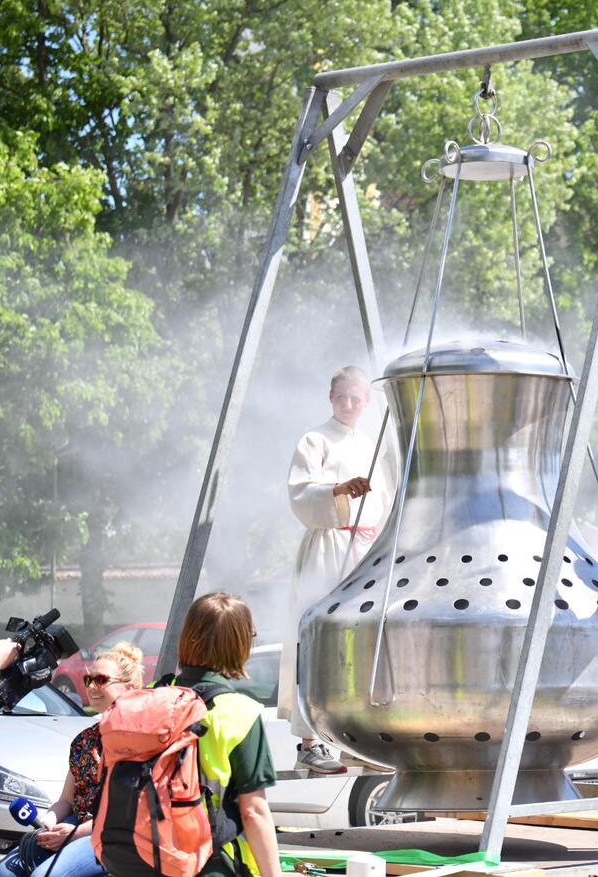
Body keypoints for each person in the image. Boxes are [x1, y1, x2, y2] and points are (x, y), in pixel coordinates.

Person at [279, 365, 395, 773]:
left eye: (357, 398)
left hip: (366, 547)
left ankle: (356, 738)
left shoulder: (371, 444)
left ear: (366, 402)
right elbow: (300, 493)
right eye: (342, 397)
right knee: (318, 633)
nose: (349, 404)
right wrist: (340, 490)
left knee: (364, 638)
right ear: (331, 398)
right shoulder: (314, 440)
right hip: (328, 543)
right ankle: (309, 740)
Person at [0, 642, 145, 877]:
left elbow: (129, 812)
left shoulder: (142, 740)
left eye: (102, 680)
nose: (92, 687)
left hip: (115, 835)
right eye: (89, 680)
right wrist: (47, 823)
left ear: (130, 687)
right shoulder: (83, 741)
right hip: (75, 825)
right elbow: (66, 800)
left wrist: (74, 832)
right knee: (4, 871)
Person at [172, 592, 279, 877]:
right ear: (239, 643)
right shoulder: (239, 712)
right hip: (209, 863)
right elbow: (253, 812)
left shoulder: (152, 696)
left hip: (145, 856)